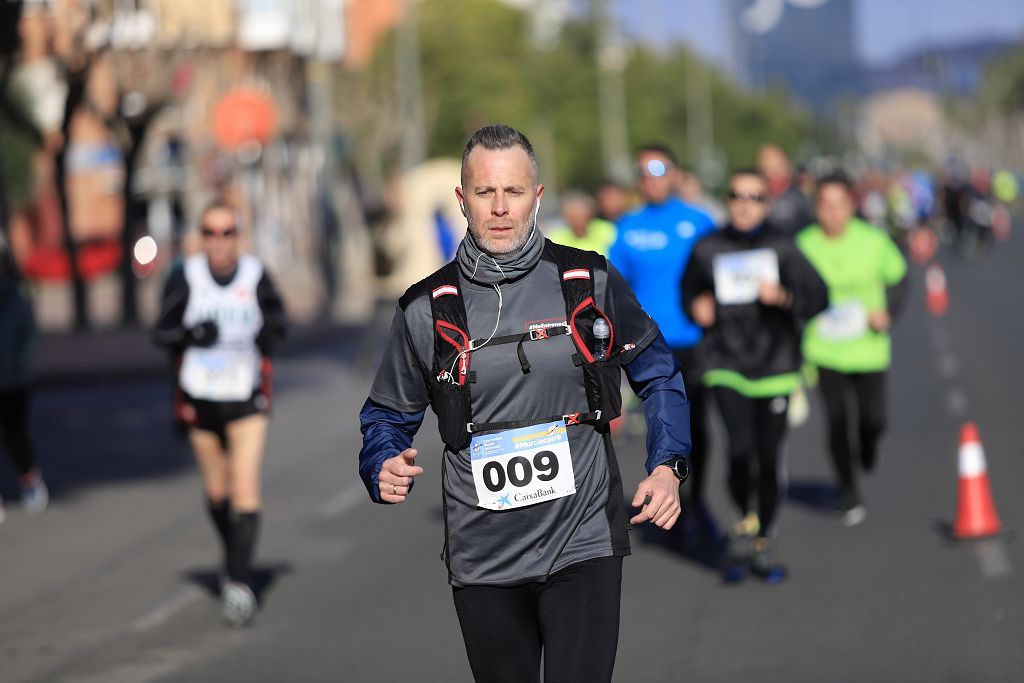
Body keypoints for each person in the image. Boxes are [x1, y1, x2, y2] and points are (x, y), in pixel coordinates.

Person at [359, 124, 692, 683]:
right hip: (483, 553)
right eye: (485, 193)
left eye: (513, 191)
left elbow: (659, 374)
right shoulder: (426, 309)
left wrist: (667, 464)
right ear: (462, 201)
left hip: (582, 540)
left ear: (537, 197)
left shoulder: (587, 281)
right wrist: (381, 461)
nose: (500, 209)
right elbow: (387, 415)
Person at [683, 169, 828, 582]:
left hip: (776, 365)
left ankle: (764, 537)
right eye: (736, 195)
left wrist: (784, 297)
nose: (745, 203)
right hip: (726, 362)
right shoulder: (708, 247)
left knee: (768, 457)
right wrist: (697, 306)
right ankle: (743, 518)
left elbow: (819, 296)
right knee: (739, 449)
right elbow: (688, 289)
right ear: (727, 201)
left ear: (767, 204)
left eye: (755, 197)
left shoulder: (783, 246)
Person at [152, 199, 287, 627]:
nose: (219, 241)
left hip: (245, 397)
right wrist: (192, 332)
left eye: (227, 232)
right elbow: (161, 330)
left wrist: (266, 333)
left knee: (245, 487)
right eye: (210, 232)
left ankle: (239, 583)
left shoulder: (254, 275)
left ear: (238, 236)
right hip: (200, 396)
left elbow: (279, 321)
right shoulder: (187, 276)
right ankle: (234, 553)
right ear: (201, 237)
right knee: (217, 492)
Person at [610, 144, 717, 542]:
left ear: (674, 174)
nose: (651, 178)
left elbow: (720, 272)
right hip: (646, 349)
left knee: (696, 426)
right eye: (643, 171)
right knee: (659, 424)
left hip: (693, 341)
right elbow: (611, 286)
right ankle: (669, 497)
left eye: (659, 169)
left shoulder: (699, 221)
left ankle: (694, 500)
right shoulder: (627, 227)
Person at [796, 172, 908, 526]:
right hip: (824, 348)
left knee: (872, 420)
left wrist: (887, 312)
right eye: (824, 206)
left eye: (838, 205)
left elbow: (900, 277)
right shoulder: (803, 244)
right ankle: (848, 489)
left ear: (851, 206)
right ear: (816, 208)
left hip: (868, 349)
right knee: (837, 420)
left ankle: (870, 445)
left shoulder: (873, 240)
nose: (831, 213)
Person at [0, 238, 47, 523]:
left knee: (17, 437)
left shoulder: (17, 294)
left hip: (13, 381)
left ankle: (29, 479)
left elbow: (30, 333)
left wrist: (20, 365)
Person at [758, 144, 815, 236]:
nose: (769, 164)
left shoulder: (798, 197)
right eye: (765, 159)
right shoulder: (757, 193)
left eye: (771, 159)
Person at [545, 190, 617, 256]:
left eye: (580, 215)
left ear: (590, 214)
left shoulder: (606, 230)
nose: (577, 221)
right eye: (572, 217)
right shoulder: (557, 237)